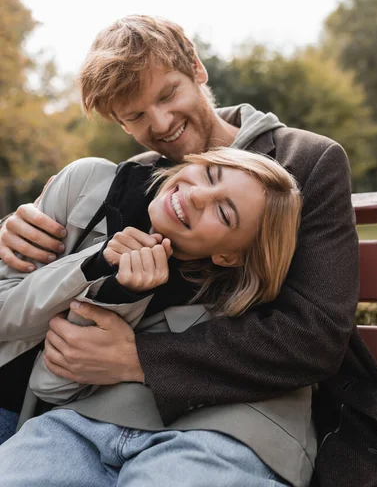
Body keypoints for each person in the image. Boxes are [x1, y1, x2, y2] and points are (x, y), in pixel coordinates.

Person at [0, 15, 377, 487]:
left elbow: (314, 334)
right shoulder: (136, 179)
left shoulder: (304, 161)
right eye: (136, 116)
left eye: (168, 95)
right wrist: (11, 230)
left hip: (231, 420)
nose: (162, 123)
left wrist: (139, 358)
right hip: (90, 412)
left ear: (196, 67)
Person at [1, 147, 302, 410]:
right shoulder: (86, 181)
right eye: (210, 174)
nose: (196, 195)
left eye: (223, 213)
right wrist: (95, 265)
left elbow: (50, 386)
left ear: (229, 256)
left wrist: (118, 294)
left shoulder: (204, 313)